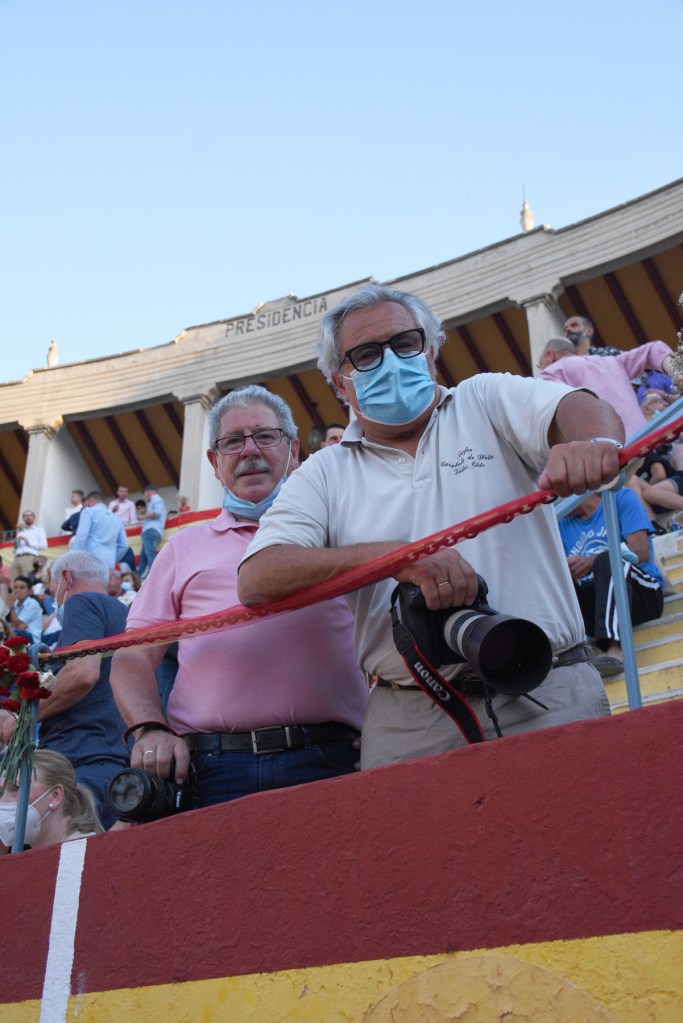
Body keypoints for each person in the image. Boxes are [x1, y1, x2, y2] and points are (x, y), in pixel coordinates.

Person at [237, 283, 627, 771]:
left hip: (547, 685)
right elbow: (257, 577)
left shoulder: (484, 399)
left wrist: (593, 441)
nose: (391, 361)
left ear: (431, 353)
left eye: (405, 343)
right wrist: (397, 560)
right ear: (339, 384)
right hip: (410, 717)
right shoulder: (322, 472)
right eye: (366, 355)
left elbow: (578, 407)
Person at [110, 386, 368, 806]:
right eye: (232, 442)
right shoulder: (181, 547)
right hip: (209, 769)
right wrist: (150, 728)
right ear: (215, 462)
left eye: (265, 436)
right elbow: (133, 656)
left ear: (293, 450)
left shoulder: (344, 529)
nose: (250, 450)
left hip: (333, 759)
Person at [0, 552, 129, 828]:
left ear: (66, 579)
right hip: (112, 759)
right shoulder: (125, 613)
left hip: (78, 759)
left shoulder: (82, 602)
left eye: (52, 589)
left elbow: (82, 673)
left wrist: (23, 719)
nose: (53, 597)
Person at [558, 491, 664, 678]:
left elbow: (641, 551)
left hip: (642, 596)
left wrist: (592, 561)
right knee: (556, 578)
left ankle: (616, 648)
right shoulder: (560, 522)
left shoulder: (620, 498)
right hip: (597, 603)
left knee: (608, 559)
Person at [539, 335, 680, 440]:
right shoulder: (611, 361)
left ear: (550, 355)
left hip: (609, 451)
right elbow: (652, 349)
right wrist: (676, 371)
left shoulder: (551, 372)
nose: (541, 369)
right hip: (645, 440)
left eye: (540, 364)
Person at [0, 750, 103, 854]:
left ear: (55, 795)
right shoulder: (28, 861)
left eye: (16, 788)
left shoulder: (93, 852)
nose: (2, 801)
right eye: (0, 792)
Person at [71, 491, 129, 570]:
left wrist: (74, 560)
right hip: (109, 563)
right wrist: (112, 559)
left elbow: (81, 537)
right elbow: (124, 546)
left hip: (91, 561)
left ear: (90, 501)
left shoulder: (88, 511)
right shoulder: (116, 518)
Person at [137, 484, 167, 578]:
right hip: (153, 531)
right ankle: (138, 577)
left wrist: (143, 517)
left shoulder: (156, 499)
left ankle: (153, 576)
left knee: (150, 554)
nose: (145, 496)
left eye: (145, 493)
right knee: (143, 557)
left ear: (148, 492)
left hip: (151, 530)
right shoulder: (156, 500)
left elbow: (157, 512)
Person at [11, 511, 47, 582]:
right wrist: (15, 544)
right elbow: (15, 549)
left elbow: (44, 546)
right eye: (26, 516)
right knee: (14, 581)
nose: (28, 517)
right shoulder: (20, 532)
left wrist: (28, 542)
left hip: (29, 557)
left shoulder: (39, 530)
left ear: (34, 518)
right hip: (17, 557)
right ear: (23, 518)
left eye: (30, 515)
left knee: (27, 581)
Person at [7, 576, 43, 644]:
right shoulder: (15, 603)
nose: (18, 590)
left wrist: (11, 607)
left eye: (22, 588)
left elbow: (17, 626)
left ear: (29, 591)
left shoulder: (32, 604)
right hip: (20, 634)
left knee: (12, 632)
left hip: (32, 640)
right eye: (15, 587)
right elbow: (16, 625)